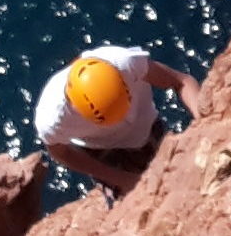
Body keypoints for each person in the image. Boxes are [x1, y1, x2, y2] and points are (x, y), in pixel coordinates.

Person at [33, 45, 205, 194]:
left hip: (146, 129)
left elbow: (181, 81)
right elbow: (60, 153)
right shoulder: (51, 120)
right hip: (103, 151)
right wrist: (118, 178)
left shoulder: (125, 63)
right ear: (77, 109)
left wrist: (204, 121)